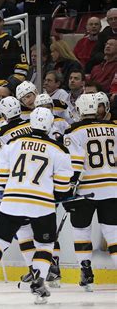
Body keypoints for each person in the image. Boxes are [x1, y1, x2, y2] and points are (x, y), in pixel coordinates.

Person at [0, 107, 73, 304]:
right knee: (44, 245)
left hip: (12, 201)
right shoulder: (59, 150)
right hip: (42, 204)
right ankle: (38, 280)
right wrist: (62, 194)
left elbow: (3, 177)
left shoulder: (13, 143)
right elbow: (62, 186)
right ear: (50, 126)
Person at [63, 94, 117, 291]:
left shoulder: (73, 131)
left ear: (78, 110)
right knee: (113, 234)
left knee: (81, 231)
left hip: (85, 191)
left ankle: (86, 270)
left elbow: (75, 164)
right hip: (111, 188)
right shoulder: (113, 128)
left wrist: (68, 189)